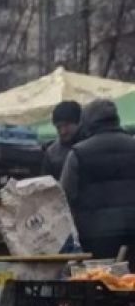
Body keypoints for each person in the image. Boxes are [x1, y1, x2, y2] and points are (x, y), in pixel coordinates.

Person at [60, 98, 135, 260]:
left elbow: (63, 198)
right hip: (132, 233)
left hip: (94, 236)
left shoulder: (78, 153)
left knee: (99, 280)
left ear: (87, 122)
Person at [42, 100, 82, 181]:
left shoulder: (92, 146)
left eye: (66, 125)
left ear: (79, 122)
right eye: (58, 127)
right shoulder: (51, 153)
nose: (63, 131)